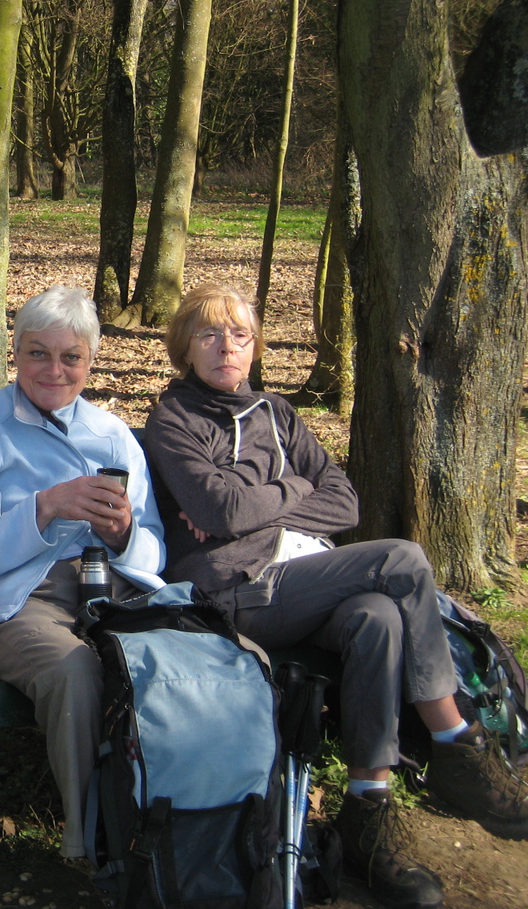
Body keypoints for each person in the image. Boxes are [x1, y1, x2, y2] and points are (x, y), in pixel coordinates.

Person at [143, 282, 528, 909]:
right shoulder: (174, 420)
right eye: (209, 334)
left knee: (377, 617)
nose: (226, 347)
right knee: (402, 559)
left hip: (304, 578)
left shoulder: (278, 414)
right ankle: (456, 742)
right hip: (234, 591)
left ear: (254, 346)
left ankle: (367, 814)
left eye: (239, 335)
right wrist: (289, 490)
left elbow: (344, 501)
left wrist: (262, 502)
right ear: (185, 347)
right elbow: (219, 509)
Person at [0, 285, 166, 866]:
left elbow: (152, 554)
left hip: (112, 589)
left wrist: (123, 535)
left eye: (71, 357)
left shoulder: (113, 435)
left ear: (91, 360)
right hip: (25, 600)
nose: (54, 370)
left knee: (182, 657)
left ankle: (181, 822)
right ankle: (90, 843)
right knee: (75, 671)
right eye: (38, 353)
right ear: (15, 352)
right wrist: (45, 506)